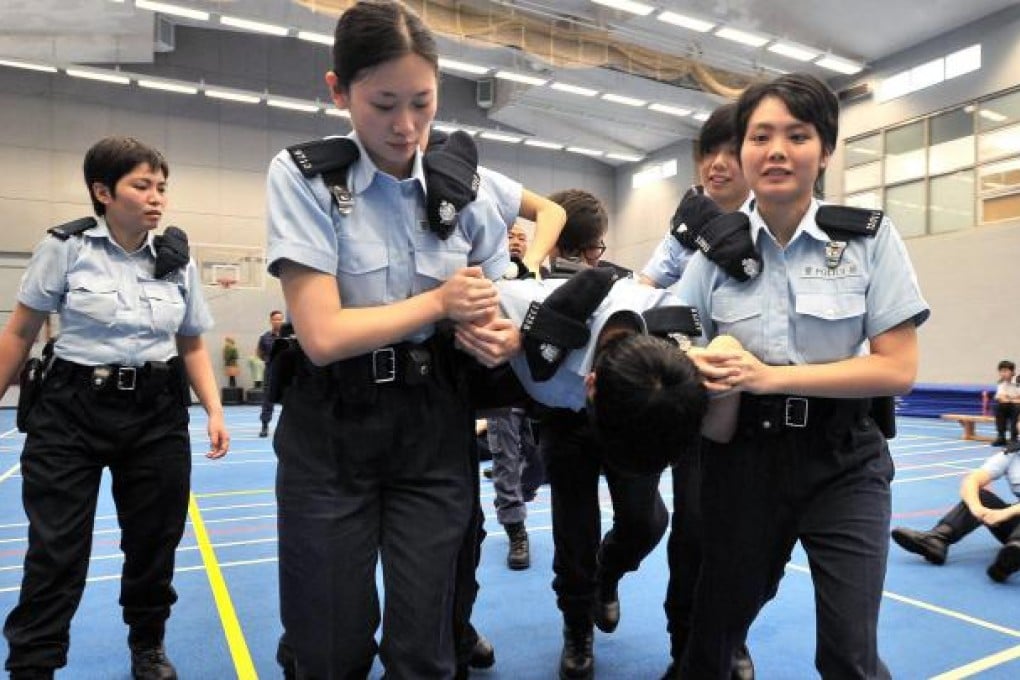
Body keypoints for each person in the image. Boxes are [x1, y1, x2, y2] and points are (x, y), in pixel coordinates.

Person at [264, 2, 517, 677]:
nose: (405, 126)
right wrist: (437, 302)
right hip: (331, 433)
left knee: (427, 650)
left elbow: (493, 307)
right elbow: (320, 335)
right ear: (337, 91)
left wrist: (495, 337)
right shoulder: (305, 177)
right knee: (329, 647)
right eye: (382, 104)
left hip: (434, 428)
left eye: (422, 103)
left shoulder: (471, 190)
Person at [673, 73, 930, 679]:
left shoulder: (868, 239)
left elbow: (898, 368)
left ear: (826, 151)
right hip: (743, 464)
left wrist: (769, 378)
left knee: (847, 652)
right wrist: (694, 362)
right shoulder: (712, 254)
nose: (778, 150)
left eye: (798, 135)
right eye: (760, 136)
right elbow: (672, 341)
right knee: (711, 636)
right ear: (740, 153)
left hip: (844, 460)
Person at [0, 136, 229, 680]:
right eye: (142, 185)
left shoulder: (177, 260)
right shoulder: (65, 247)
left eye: (162, 187)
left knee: (154, 543)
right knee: (56, 551)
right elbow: (20, 332)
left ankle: (147, 646)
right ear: (103, 192)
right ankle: (34, 663)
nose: (156, 198)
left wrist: (214, 411)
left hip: (155, 412)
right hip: (70, 410)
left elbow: (192, 342)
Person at [638, 103, 757, 680]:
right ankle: (684, 647)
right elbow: (643, 289)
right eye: (707, 152)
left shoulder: (776, 225)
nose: (716, 164)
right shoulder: (685, 231)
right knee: (690, 534)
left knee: (753, 545)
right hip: (698, 409)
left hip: (763, 414)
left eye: (731, 152)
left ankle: (731, 639)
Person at [484, 223, 546, 571]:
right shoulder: (485, 278)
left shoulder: (541, 278)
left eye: (522, 236)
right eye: (509, 235)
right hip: (500, 384)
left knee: (538, 464)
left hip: (537, 386)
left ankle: (516, 497)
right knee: (506, 458)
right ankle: (516, 531)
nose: (517, 240)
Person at [891, 448, 1020, 582]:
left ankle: (1011, 556)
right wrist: (976, 507)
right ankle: (937, 539)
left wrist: (1005, 513)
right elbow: (971, 481)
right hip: (1014, 528)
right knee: (980, 496)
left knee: (1015, 540)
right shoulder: (1010, 455)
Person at [255, 309, 285, 437]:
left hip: (286, 372)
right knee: (268, 399)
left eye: (280, 319)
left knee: (290, 400)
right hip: (271, 372)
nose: (277, 321)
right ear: (270, 321)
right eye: (275, 319)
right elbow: (259, 353)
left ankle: (290, 428)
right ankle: (265, 426)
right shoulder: (264, 338)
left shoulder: (288, 336)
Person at [991, 360, 1020, 447]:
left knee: (1016, 407)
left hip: (1017, 407)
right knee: (998, 407)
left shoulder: (1018, 381)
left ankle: (1013, 438)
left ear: (1012, 372)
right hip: (1010, 405)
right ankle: (1001, 437)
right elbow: (1000, 397)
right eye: (1001, 371)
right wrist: (1011, 399)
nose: (1003, 373)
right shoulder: (1001, 382)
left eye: (1006, 371)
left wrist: (1009, 398)